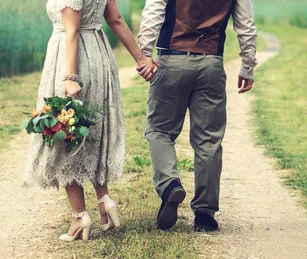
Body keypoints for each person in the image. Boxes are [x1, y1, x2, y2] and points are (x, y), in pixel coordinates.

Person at [23, 0, 157, 241]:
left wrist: (70, 77)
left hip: (72, 58)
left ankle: (79, 216)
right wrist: (140, 59)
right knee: (90, 131)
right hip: (98, 55)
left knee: (65, 131)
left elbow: (72, 29)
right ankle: (104, 201)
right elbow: (115, 19)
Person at [138, 0, 258, 231]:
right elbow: (246, 25)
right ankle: (205, 215)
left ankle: (169, 183)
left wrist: (144, 53)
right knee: (209, 141)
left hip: (171, 60)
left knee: (159, 131)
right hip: (211, 63)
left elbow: (153, 13)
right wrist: (248, 66)